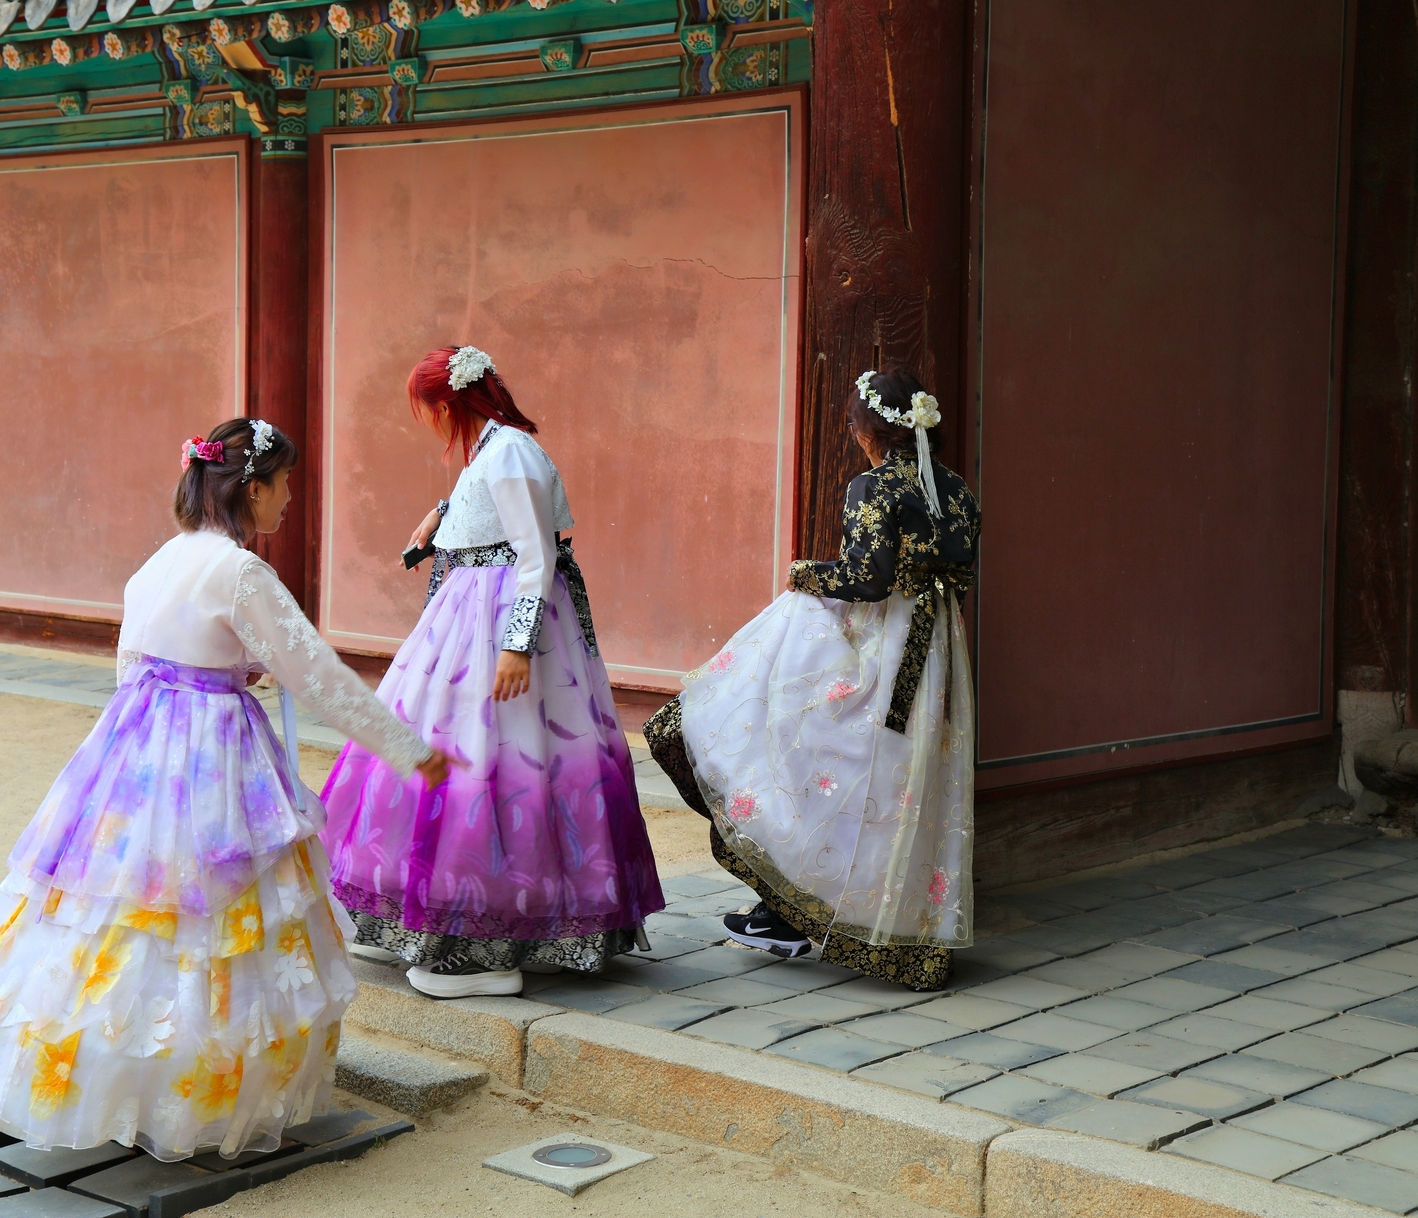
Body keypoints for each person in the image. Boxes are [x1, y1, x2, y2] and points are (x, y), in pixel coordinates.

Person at [0, 418, 451, 1160]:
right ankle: (198, 1102)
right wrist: (406, 749)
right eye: (284, 483)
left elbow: (131, 666)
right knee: (217, 922)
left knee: (116, 916)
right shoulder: (241, 574)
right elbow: (315, 675)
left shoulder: (158, 562)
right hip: (214, 759)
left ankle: (94, 1088)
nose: (290, 498)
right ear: (252, 488)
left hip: (133, 750)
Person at [319, 345, 664, 998]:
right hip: (471, 613)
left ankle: (485, 948)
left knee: (497, 760)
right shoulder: (493, 449)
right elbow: (498, 516)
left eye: (425, 409)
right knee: (476, 754)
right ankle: (458, 920)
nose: (426, 422)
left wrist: (515, 646)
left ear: (447, 404)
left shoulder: (509, 452)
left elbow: (535, 555)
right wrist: (443, 513)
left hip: (497, 620)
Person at [644, 369, 981, 991]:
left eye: (853, 425)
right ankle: (891, 929)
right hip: (936, 649)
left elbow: (867, 579)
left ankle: (803, 909)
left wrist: (806, 574)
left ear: (867, 430)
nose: (853, 436)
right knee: (899, 780)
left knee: (824, 757)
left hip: (890, 642)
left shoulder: (872, 485)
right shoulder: (956, 489)